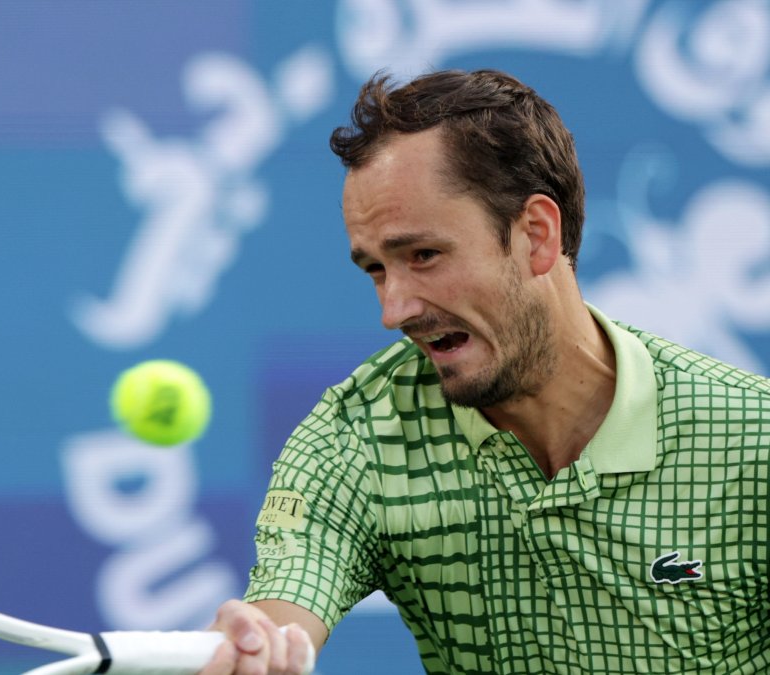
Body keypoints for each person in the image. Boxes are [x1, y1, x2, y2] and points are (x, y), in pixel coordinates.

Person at [199, 68, 770, 674]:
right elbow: (280, 614)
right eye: (375, 268)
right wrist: (252, 650)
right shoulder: (354, 438)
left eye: (423, 255)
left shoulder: (755, 440)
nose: (394, 310)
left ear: (537, 236)